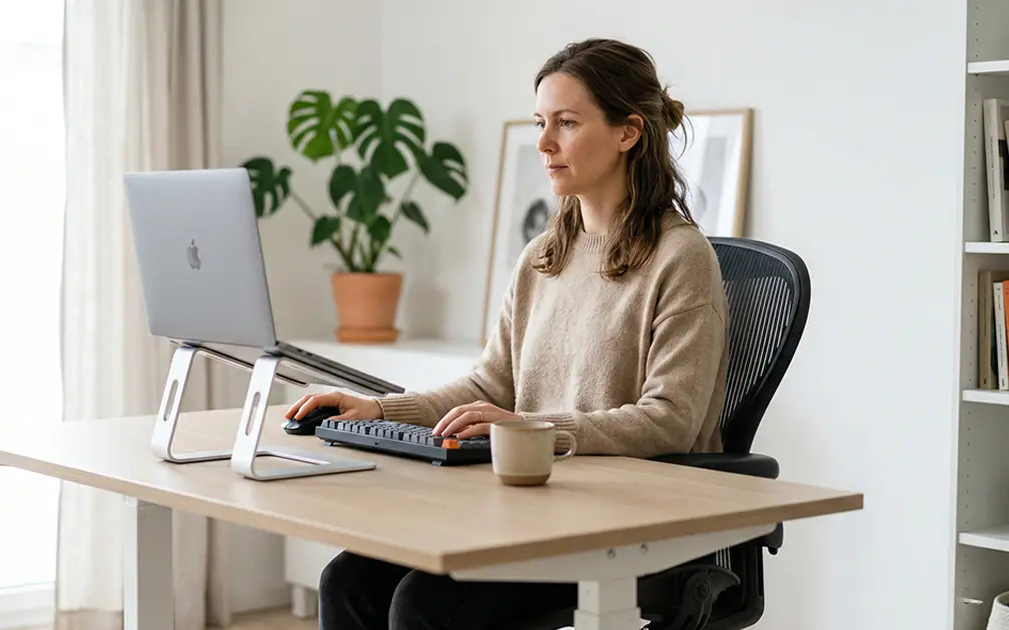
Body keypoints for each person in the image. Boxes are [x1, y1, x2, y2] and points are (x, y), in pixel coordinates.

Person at [285, 37, 730, 630]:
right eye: (542, 122)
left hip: (625, 520)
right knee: (350, 580)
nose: (544, 143)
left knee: (424, 606)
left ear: (629, 133)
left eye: (567, 123)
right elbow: (492, 383)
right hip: (535, 506)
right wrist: (381, 408)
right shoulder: (544, 255)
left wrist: (536, 428)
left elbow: (670, 419)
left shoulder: (681, 257)